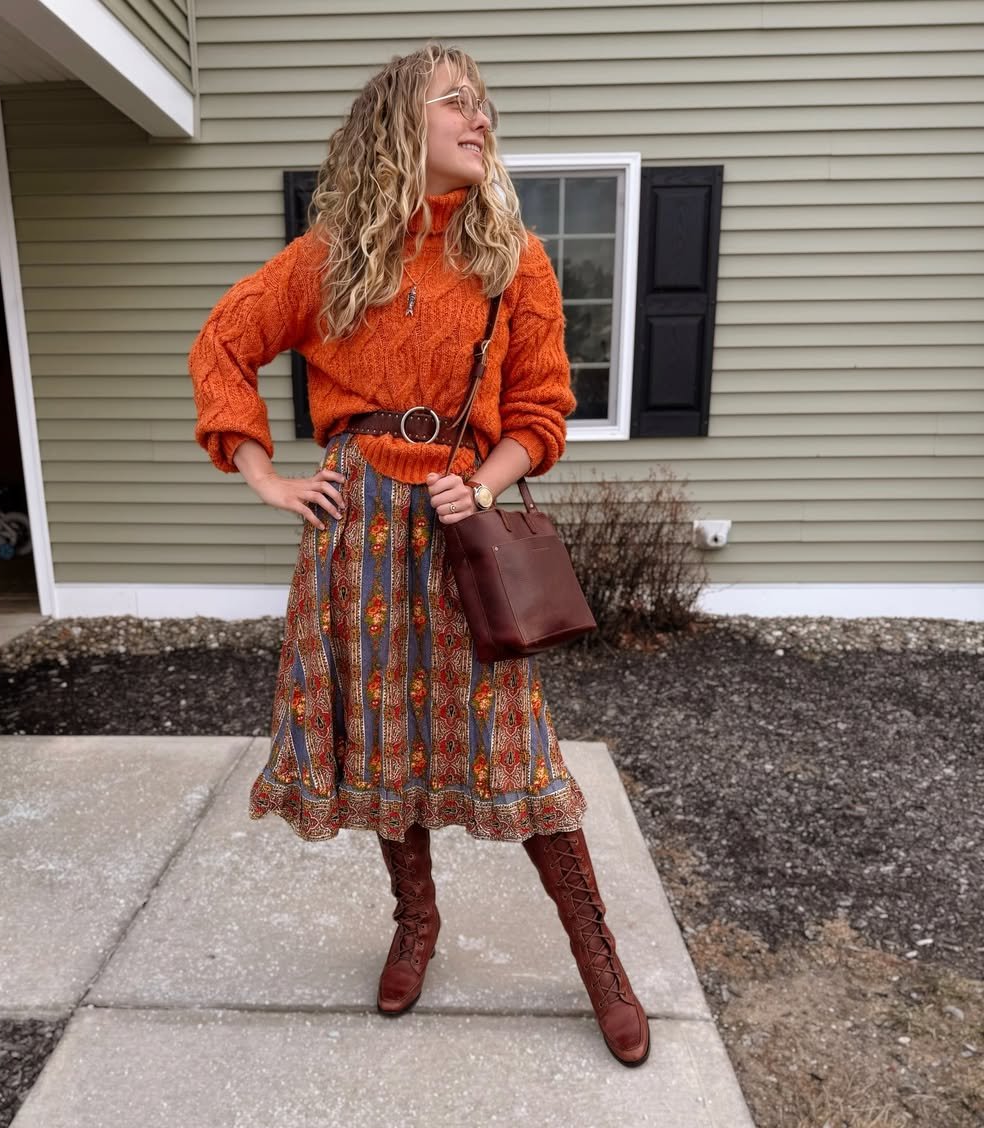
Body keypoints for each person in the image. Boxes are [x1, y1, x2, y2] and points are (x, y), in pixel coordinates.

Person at [188, 41, 649, 1068]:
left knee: (518, 748)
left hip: (457, 531)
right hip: (355, 531)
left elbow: (541, 415)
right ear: (403, 123)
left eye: (485, 104)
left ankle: (600, 958)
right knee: (383, 738)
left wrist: (480, 483)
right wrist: (265, 475)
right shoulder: (330, 258)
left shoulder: (513, 258)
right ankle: (417, 922)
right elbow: (222, 342)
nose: (481, 118)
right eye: (456, 102)